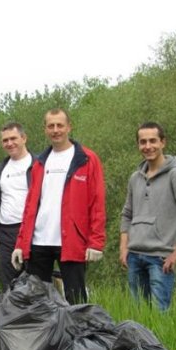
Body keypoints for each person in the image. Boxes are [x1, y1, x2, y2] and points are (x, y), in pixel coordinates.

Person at [12, 108, 106, 303]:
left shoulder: (87, 159)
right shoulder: (39, 163)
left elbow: (97, 202)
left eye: (60, 125)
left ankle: (78, 334)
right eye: (51, 126)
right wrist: (21, 244)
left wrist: (96, 241)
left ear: (69, 127)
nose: (56, 130)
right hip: (39, 242)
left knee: (76, 300)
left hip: (72, 242)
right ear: (45, 129)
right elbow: (30, 206)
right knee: (38, 302)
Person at [119, 122, 176, 311]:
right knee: (137, 317)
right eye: (143, 142)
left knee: (159, 317)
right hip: (134, 257)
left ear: (163, 142)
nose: (148, 146)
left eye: (152, 141)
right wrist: (124, 247)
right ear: (138, 145)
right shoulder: (135, 178)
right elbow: (127, 214)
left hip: (160, 259)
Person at [0, 122, 36, 290]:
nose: (9, 143)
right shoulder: (1, 169)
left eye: (13, 138)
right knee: (10, 285)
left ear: (24, 138)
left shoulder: (38, 165)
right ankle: (12, 316)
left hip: (32, 231)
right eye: (5, 140)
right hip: (5, 233)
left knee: (35, 283)